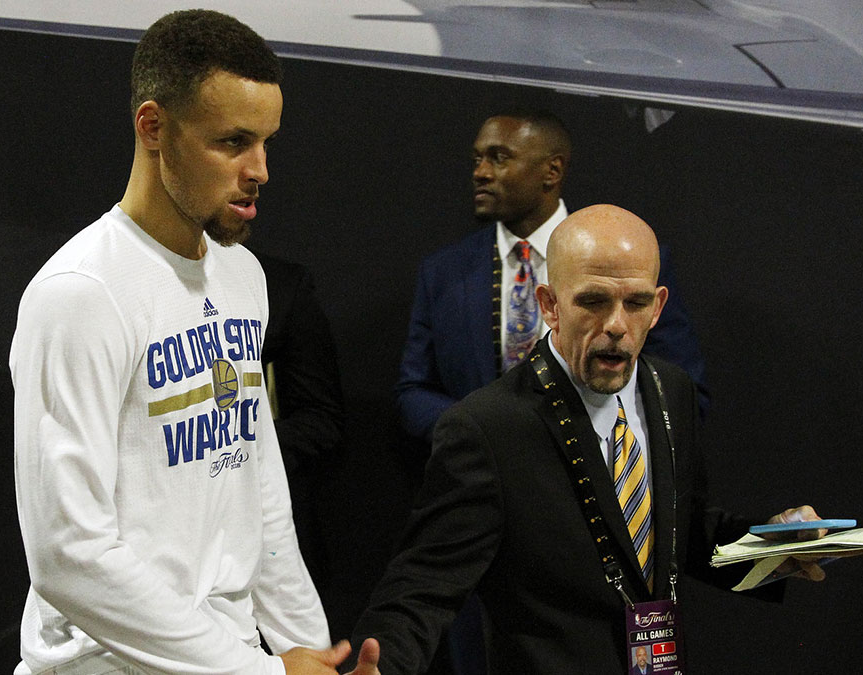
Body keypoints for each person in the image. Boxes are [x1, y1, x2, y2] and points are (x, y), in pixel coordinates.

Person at [9, 10, 377, 675]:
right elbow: (68, 553)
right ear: (153, 126)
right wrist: (265, 672)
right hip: (101, 661)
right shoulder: (81, 292)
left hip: (224, 656)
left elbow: (258, 480)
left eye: (266, 142)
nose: (260, 168)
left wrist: (316, 654)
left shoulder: (245, 276)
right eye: (233, 141)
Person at [350, 204, 824, 674]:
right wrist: (381, 662)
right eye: (594, 301)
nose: (617, 324)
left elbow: (686, 531)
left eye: (635, 303)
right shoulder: (487, 428)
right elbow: (422, 587)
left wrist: (776, 549)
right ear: (549, 304)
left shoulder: (671, 389)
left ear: (658, 306)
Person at [395, 110, 710, 451]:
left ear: (552, 171)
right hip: (478, 479)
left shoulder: (631, 261)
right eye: (477, 160)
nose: (481, 173)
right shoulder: (445, 272)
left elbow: (682, 392)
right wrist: (480, 430)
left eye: (499, 158)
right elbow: (413, 391)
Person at [254, 251, 346, 588]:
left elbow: (321, 419)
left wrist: (236, 453)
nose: (250, 195)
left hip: (269, 523)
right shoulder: (114, 278)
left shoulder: (276, 284)